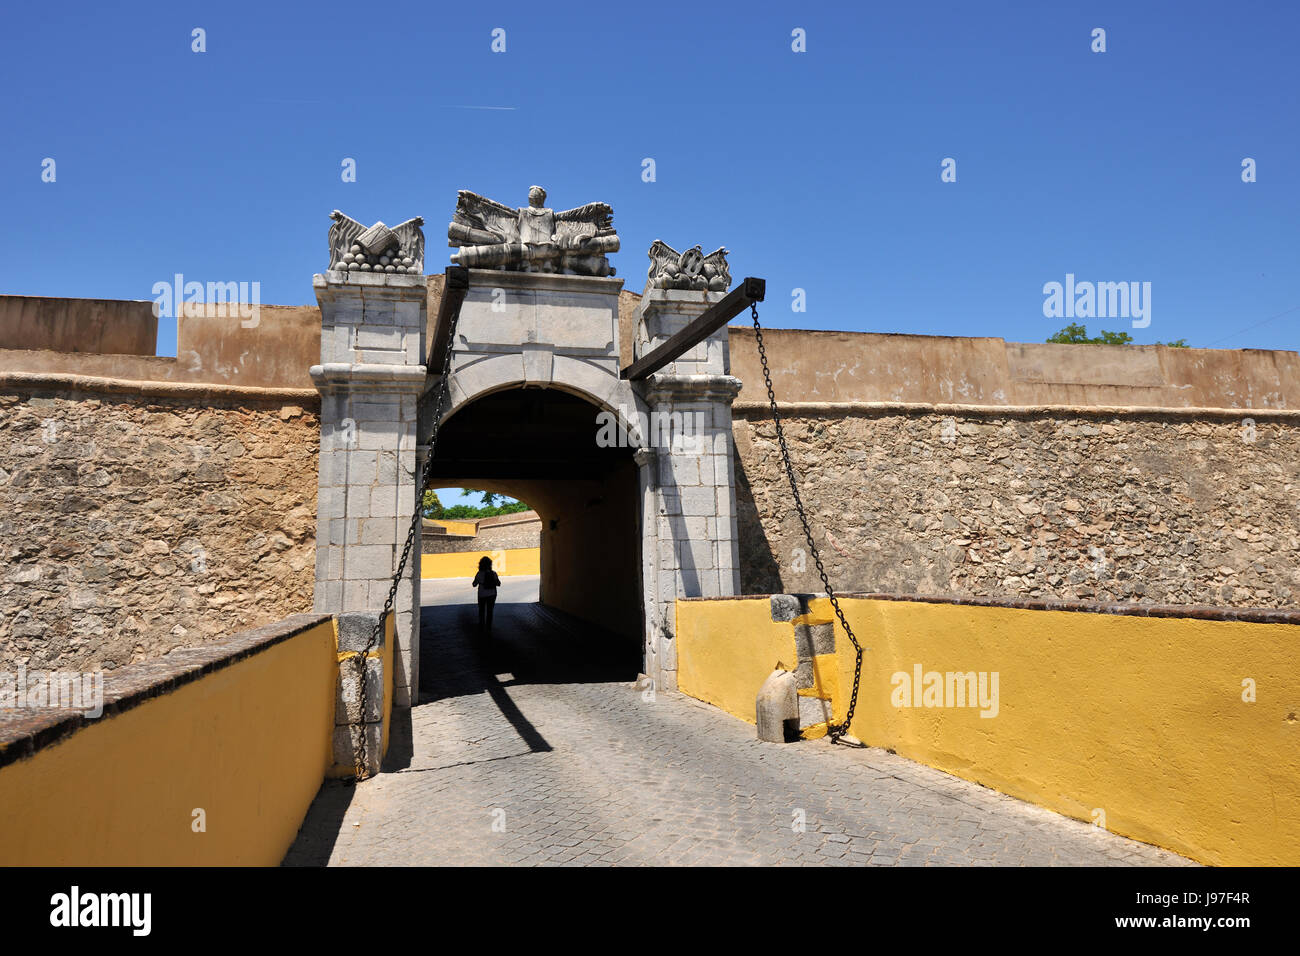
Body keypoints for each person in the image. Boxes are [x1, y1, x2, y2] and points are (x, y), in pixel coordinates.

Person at [472, 556, 501, 634]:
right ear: (490, 565)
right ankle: (488, 628)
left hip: (481, 594)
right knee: (490, 611)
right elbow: (499, 584)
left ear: (480, 565)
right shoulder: (493, 573)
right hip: (492, 594)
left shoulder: (479, 573)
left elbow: (474, 584)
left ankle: (481, 626)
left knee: (481, 611)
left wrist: (480, 582)